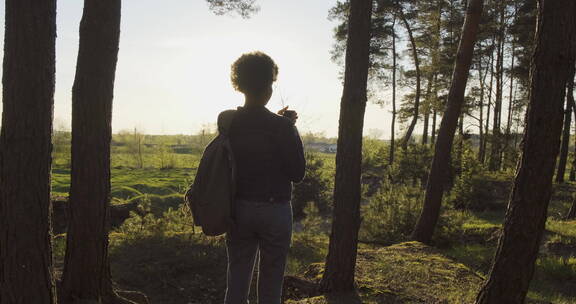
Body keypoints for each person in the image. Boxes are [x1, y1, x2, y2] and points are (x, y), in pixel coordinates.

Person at [223, 51, 305, 304]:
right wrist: (288, 127)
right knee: (271, 283)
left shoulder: (227, 121)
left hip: (238, 209)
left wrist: (282, 123)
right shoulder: (282, 128)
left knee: (236, 278)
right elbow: (297, 173)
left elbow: (252, 126)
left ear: (240, 85)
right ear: (269, 87)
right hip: (275, 210)